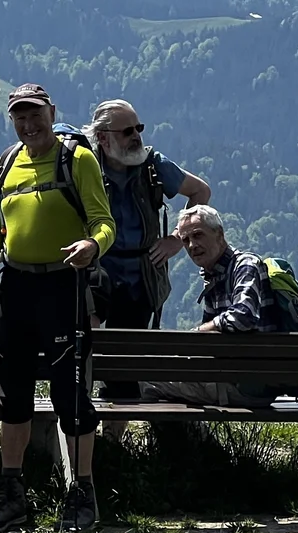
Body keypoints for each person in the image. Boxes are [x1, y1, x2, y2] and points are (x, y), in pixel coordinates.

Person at [0, 83, 116, 533]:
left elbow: (103, 222)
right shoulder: (7, 162)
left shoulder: (77, 159)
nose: (28, 125)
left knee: (71, 394)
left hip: (62, 287)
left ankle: (82, 493)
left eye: (35, 115)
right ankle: (13, 495)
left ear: (51, 112)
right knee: (14, 393)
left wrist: (92, 245)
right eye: (19, 117)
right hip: (13, 288)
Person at [86, 99, 211, 401]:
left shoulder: (153, 164)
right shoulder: (84, 164)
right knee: (88, 350)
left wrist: (177, 239)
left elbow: (201, 192)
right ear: (103, 137)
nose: (137, 136)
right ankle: (83, 424)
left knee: (126, 367)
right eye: (127, 131)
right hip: (96, 271)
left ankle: (114, 442)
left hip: (140, 276)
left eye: (138, 128)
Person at [140, 205, 294, 409]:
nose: (192, 245)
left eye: (198, 235)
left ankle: (189, 440)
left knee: (147, 378)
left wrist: (199, 331)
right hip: (233, 378)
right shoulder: (214, 275)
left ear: (219, 234)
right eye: (186, 240)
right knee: (159, 370)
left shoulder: (245, 265)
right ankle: (191, 439)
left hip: (247, 385)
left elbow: (243, 316)